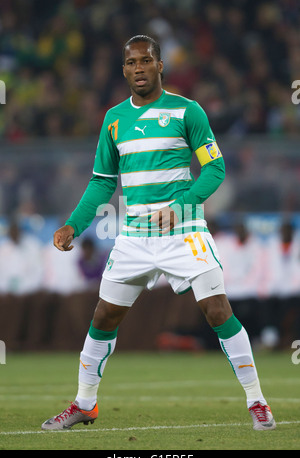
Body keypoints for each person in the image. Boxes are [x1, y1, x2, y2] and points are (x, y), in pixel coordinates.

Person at [41, 35, 275, 431]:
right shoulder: (114, 119)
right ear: (124, 69)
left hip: (184, 230)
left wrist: (179, 207)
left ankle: (258, 402)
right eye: (131, 62)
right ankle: (84, 404)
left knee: (217, 310)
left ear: (160, 65)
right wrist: (73, 225)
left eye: (145, 61)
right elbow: (102, 183)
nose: (138, 68)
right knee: (103, 317)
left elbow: (214, 170)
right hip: (133, 235)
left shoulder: (188, 111)